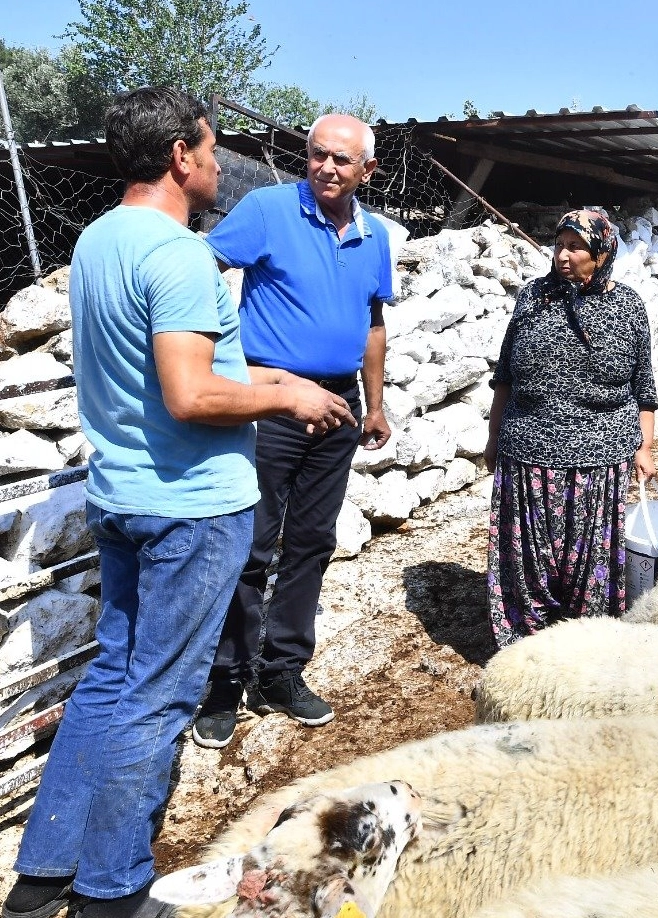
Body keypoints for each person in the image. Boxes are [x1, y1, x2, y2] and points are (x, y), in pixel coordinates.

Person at [1, 87, 355, 918]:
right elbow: (192, 396)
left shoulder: (98, 241)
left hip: (124, 494)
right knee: (159, 698)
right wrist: (286, 404)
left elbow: (164, 371)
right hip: (190, 507)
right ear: (177, 156)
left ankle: (43, 871)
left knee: (113, 676)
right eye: (210, 145)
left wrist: (276, 378)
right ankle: (113, 890)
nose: (215, 160)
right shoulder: (180, 254)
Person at [190, 114, 393, 749]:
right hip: (274, 401)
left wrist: (376, 404)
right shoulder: (268, 209)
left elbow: (373, 321)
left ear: (367, 171)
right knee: (250, 543)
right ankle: (225, 683)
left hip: (338, 402)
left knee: (311, 541)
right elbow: (199, 269)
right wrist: (246, 368)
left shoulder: (372, 235)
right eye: (318, 156)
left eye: (342, 161)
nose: (327, 169)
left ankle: (281, 673)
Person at [483, 208, 658, 648]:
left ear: (601, 254)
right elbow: (505, 374)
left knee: (588, 562)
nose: (562, 255)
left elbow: (644, 387)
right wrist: (493, 436)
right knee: (528, 561)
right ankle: (528, 647)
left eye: (575, 246)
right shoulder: (532, 297)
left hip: (599, 456)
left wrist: (646, 446)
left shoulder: (627, 305)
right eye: (559, 245)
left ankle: (585, 648)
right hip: (528, 450)